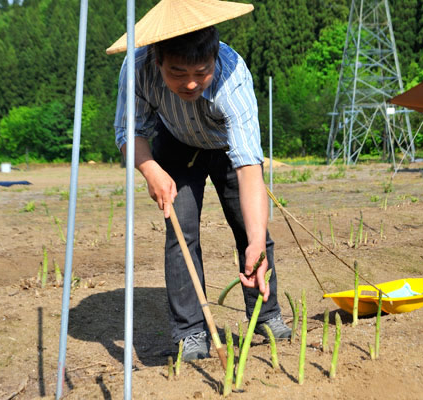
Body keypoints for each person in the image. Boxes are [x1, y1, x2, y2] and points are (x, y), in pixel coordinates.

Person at [113, 5, 290, 361]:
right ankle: (191, 331)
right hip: (174, 142)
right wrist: (151, 169)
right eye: (178, 73)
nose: (191, 83)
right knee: (181, 230)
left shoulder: (234, 76)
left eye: (201, 72)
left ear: (214, 58)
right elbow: (128, 131)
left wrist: (257, 239)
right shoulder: (137, 68)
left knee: (251, 230)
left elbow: (249, 169)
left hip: (226, 146)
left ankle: (266, 315)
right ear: (158, 60)